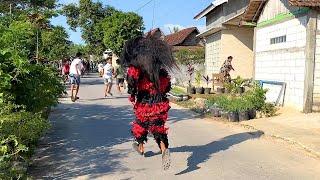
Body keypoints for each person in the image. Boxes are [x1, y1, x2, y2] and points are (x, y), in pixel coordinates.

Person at [121, 35, 177, 170]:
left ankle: (140, 148)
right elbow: (167, 86)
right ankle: (164, 149)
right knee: (158, 127)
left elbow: (131, 84)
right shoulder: (160, 71)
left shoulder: (137, 70)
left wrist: (132, 93)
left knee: (140, 125)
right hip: (159, 103)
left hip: (144, 103)